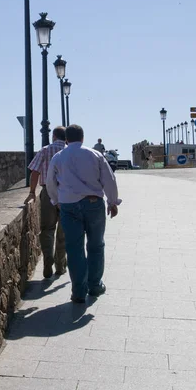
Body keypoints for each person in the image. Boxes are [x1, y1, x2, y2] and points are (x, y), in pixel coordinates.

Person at [46, 124, 121, 303]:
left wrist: (56, 201)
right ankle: (94, 286)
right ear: (82, 138)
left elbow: (50, 182)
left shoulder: (58, 157)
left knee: (74, 248)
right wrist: (112, 202)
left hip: (69, 206)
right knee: (96, 245)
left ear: (66, 139)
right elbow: (109, 179)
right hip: (93, 203)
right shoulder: (95, 155)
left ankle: (78, 291)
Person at [24, 126, 67, 279]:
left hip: (48, 192)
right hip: (67, 194)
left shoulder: (45, 150)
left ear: (54, 136)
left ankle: (47, 261)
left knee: (47, 228)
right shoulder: (69, 151)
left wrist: (31, 193)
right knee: (64, 230)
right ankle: (60, 265)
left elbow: (34, 171)